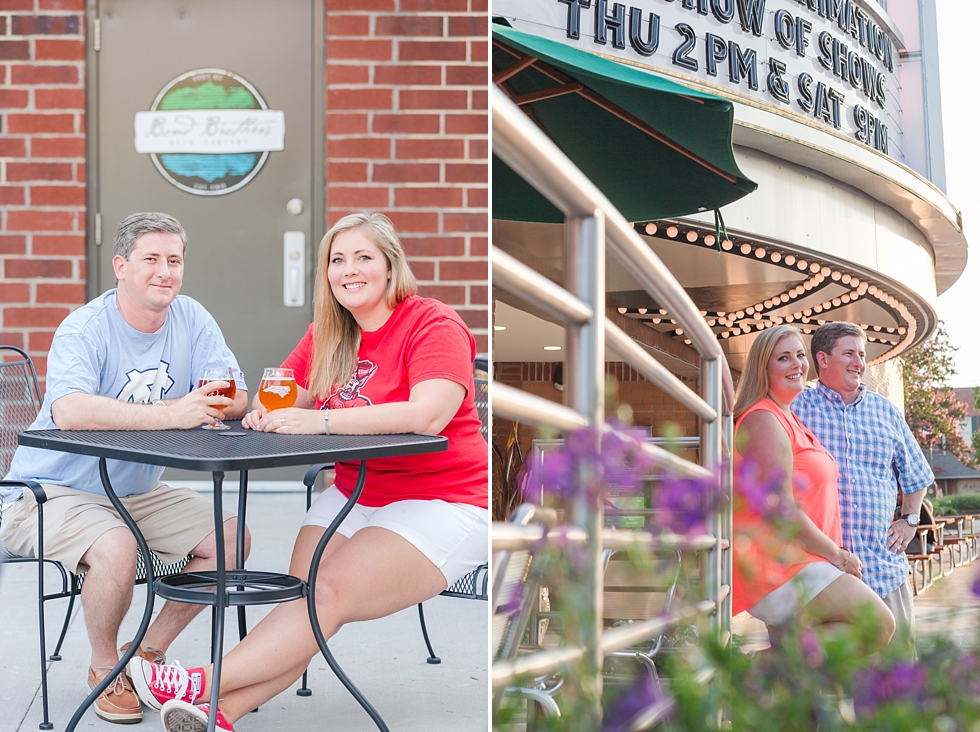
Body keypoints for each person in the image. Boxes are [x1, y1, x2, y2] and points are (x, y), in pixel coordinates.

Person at [129, 212, 489, 732]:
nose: (349, 270)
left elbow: (426, 413)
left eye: (363, 257)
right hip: (354, 494)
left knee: (324, 596)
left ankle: (197, 684)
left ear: (391, 265)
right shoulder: (330, 331)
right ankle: (224, 713)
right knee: (301, 607)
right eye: (337, 260)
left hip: (443, 503)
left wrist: (318, 420)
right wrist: (259, 411)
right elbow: (286, 390)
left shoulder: (432, 322)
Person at [0, 212, 250, 724]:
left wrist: (211, 406)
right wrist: (170, 414)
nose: (165, 271)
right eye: (151, 259)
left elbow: (236, 395)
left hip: (133, 491)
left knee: (231, 538)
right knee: (117, 546)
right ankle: (105, 668)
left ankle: (146, 657)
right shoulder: (86, 327)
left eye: (174, 260)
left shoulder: (192, 318)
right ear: (120, 266)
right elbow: (69, 409)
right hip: (48, 491)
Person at [731, 325, 894, 650]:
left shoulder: (788, 417)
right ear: (764, 369)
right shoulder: (762, 419)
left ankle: (771, 679)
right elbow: (780, 509)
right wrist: (839, 556)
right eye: (783, 358)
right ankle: (755, 671)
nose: (796, 365)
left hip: (801, 562)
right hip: (779, 568)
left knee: (806, 669)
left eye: (799, 356)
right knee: (877, 624)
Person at [793, 321, 934, 656]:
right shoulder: (797, 409)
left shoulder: (885, 411)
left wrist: (909, 520)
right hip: (825, 578)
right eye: (850, 354)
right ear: (823, 359)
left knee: (894, 688)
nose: (860, 362)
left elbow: (917, 475)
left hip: (883, 570)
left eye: (862, 354)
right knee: (821, 692)